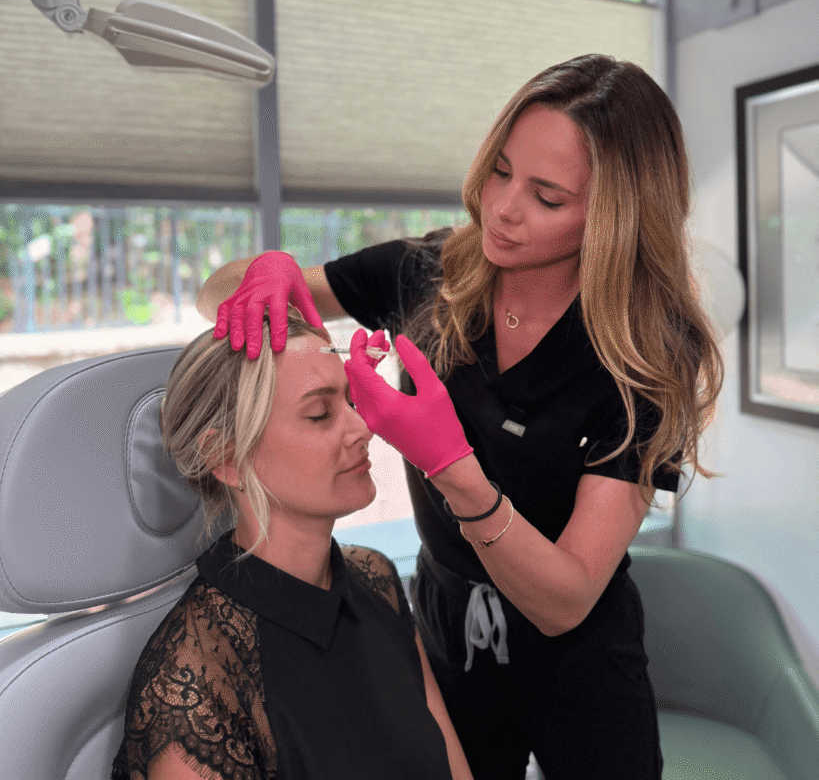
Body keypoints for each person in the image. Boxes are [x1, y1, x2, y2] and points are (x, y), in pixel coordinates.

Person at [198, 53, 724, 780]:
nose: (502, 208)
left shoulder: (646, 352)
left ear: (615, 216)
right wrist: (269, 270)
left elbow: (566, 601)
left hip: (581, 662)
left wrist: (451, 467)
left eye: (546, 197)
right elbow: (219, 300)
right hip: (449, 636)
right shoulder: (429, 273)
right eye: (500, 171)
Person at [111, 307, 473, 780]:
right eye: (320, 414)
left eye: (350, 401)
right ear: (226, 458)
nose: (361, 428)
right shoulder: (194, 688)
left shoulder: (376, 578)